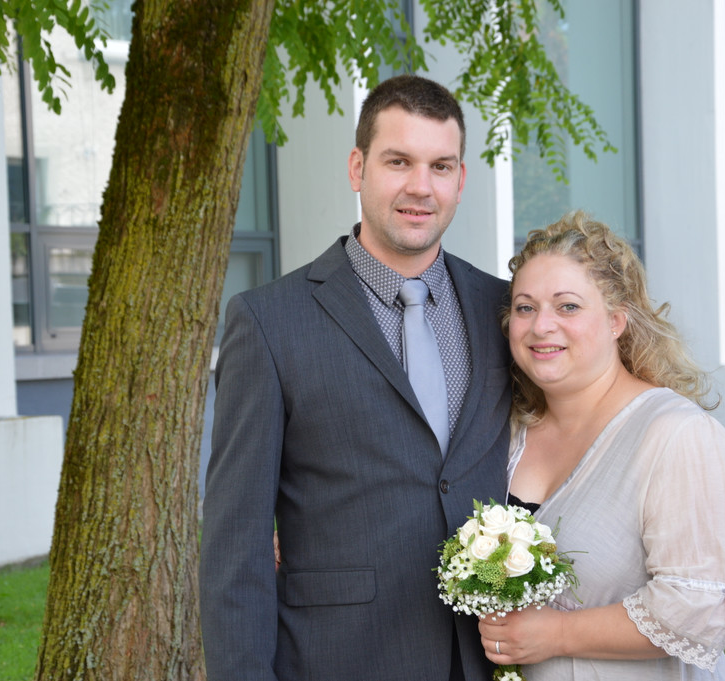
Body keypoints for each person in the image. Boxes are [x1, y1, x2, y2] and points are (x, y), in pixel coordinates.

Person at [199, 74, 513, 681]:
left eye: (440, 166)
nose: (420, 187)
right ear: (357, 168)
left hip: (485, 659)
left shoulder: (501, 309)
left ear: (460, 180)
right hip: (339, 658)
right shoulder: (268, 321)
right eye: (399, 162)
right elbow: (235, 545)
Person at [479, 211, 725, 679]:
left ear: (616, 321)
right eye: (525, 308)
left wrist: (557, 633)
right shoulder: (506, 430)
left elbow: (702, 608)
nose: (541, 325)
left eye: (568, 307)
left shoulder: (677, 435)